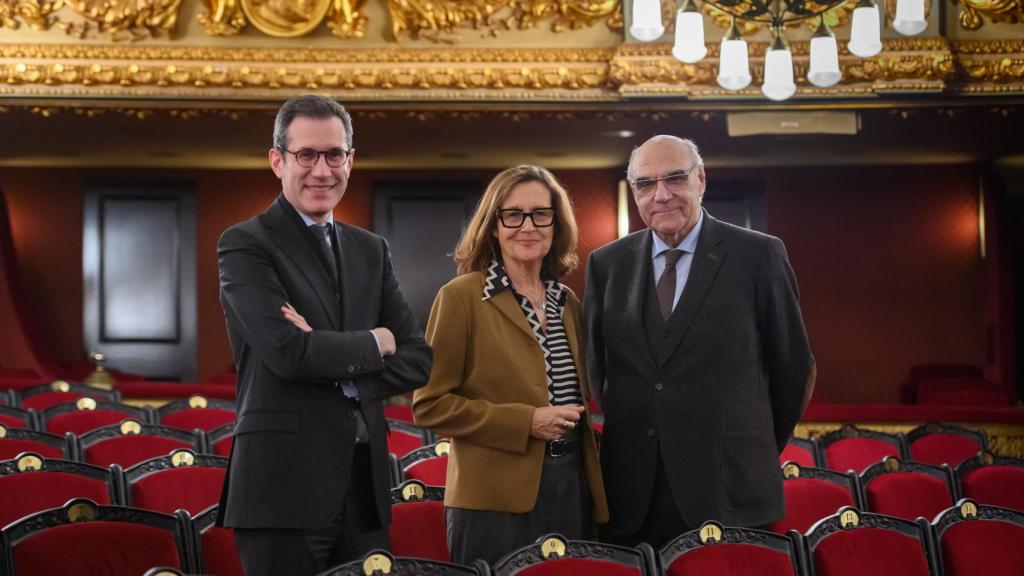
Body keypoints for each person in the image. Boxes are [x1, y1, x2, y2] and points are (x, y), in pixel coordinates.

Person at [216, 94, 431, 576]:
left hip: (364, 489)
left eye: (334, 154)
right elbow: (289, 353)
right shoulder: (245, 243)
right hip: (282, 489)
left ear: (350, 160)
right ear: (277, 161)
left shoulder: (370, 249)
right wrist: (375, 341)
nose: (322, 169)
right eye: (306, 155)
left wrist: (334, 360)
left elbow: (418, 357)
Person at [583, 135, 815, 548]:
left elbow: (793, 368)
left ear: (701, 180)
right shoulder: (606, 264)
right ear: (634, 192)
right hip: (632, 492)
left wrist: (748, 443)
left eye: (675, 178)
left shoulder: (758, 255)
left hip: (730, 488)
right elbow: (599, 370)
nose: (662, 195)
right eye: (646, 184)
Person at [412, 165, 608, 565]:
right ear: (493, 225)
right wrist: (526, 422)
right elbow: (429, 405)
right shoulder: (461, 297)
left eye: (541, 213)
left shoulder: (567, 301)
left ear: (556, 224)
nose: (528, 226)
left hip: (572, 485)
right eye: (513, 215)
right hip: (492, 498)